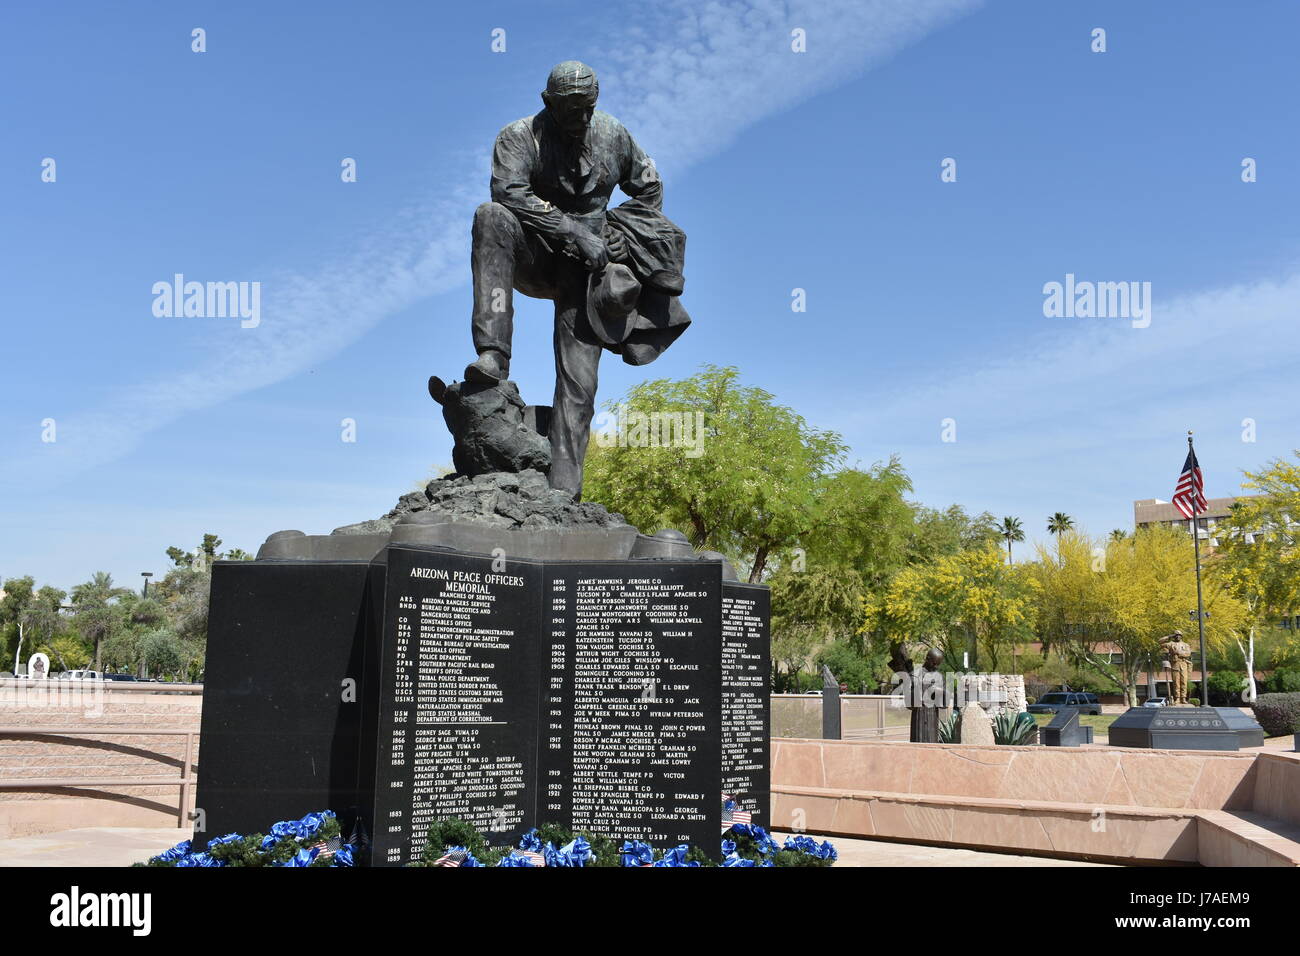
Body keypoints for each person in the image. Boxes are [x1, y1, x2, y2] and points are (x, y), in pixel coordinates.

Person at [459, 60, 690, 497]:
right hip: (538, 253)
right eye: (570, 109)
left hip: (588, 271)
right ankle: (493, 355)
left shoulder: (613, 134)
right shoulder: (519, 136)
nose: (580, 118)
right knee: (490, 219)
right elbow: (507, 192)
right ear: (548, 102)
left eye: (587, 108)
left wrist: (621, 232)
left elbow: (649, 187)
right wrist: (573, 231)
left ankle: (564, 493)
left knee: (579, 382)